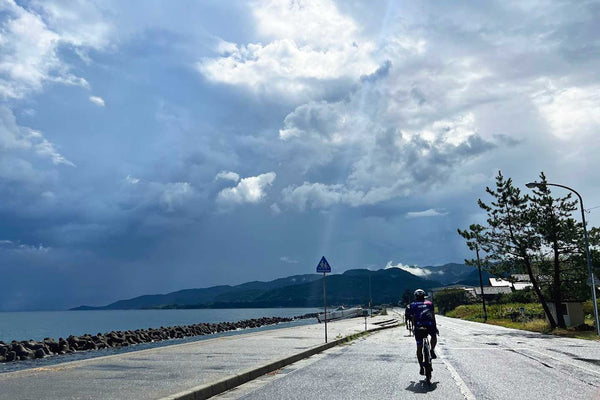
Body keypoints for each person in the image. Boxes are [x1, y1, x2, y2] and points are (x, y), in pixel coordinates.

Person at [405, 288, 438, 376]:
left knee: (419, 347)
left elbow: (412, 317)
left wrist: (413, 327)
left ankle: (421, 367)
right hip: (430, 325)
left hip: (419, 327)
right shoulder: (430, 304)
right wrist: (435, 326)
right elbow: (433, 315)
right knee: (434, 336)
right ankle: (432, 350)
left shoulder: (412, 305)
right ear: (424, 296)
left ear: (415, 296)